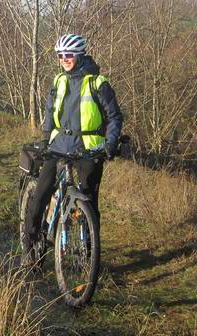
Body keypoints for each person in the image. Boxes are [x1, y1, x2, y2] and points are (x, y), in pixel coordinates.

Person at [21, 34, 123, 260]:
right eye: (60, 56)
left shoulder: (98, 83)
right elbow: (49, 113)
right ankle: (29, 247)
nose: (64, 59)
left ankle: (87, 254)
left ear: (80, 55)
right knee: (40, 195)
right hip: (58, 147)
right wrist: (45, 140)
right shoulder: (59, 81)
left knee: (89, 201)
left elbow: (114, 116)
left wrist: (111, 143)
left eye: (69, 55)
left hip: (89, 149)